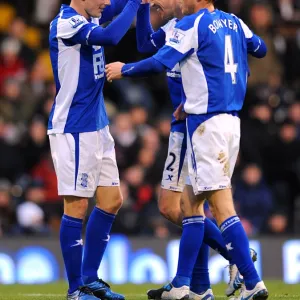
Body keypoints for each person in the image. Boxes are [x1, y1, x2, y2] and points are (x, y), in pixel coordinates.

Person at [106, 0, 268, 299]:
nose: (167, 1)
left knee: (200, 205)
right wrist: (142, 7)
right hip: (197, 121)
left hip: (200, 122)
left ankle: (239, 269)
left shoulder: (190, 25)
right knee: (183, 206)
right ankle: (199, 285)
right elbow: (145, 44)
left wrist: (124, 69)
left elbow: (158, 62)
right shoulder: (205, 24)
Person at [48, 0, 140, 299]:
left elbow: (118, 10)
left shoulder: (92, 15)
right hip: (74, 126)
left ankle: (89, 279)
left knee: (112, 200)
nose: (106, 2)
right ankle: (76, 290)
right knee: (76, 206)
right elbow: (111, 36)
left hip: (98, 125)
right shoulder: (67, 23)